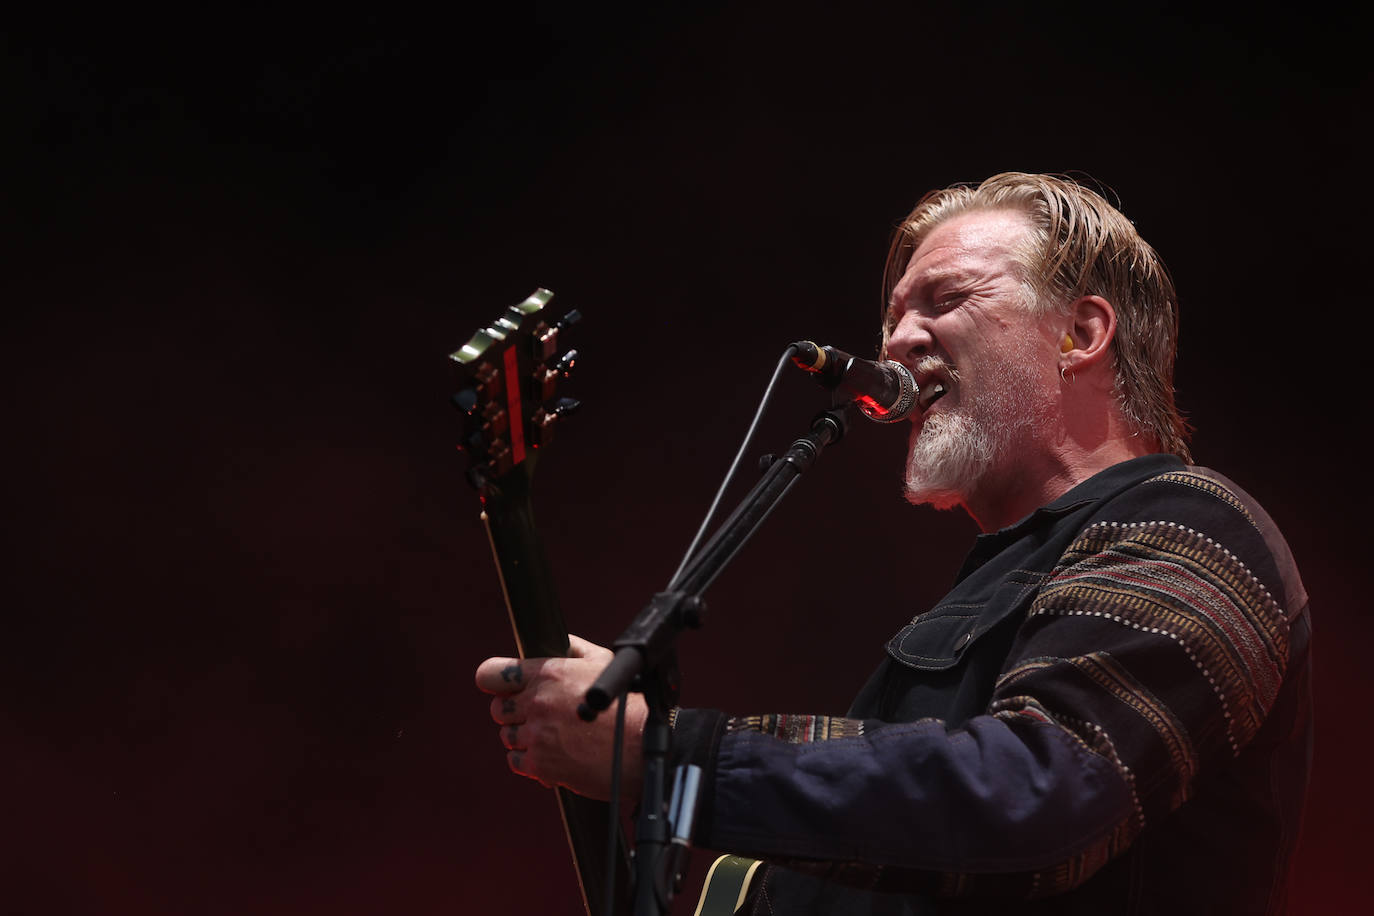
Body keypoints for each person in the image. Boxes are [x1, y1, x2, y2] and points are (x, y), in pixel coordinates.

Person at [475, 172, 1312, 914]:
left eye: (944, 302)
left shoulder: (1194, 526)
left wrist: (663, 757)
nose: (898, 340)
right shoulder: (995, 589)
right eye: (894, 316)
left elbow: (1039, 795)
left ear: (1081, 334)